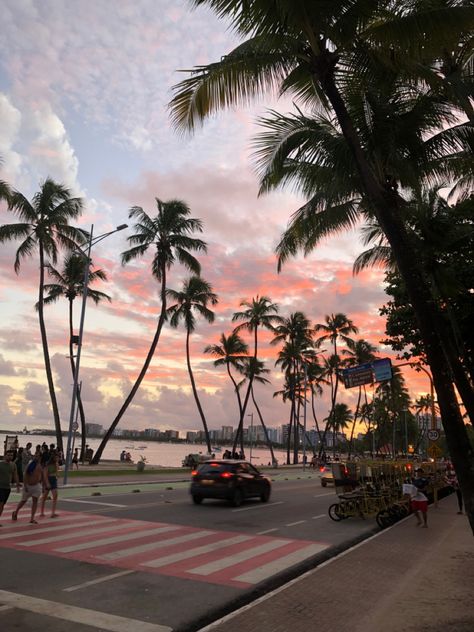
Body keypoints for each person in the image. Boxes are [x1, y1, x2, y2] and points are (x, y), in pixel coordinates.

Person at [12, 452, 43, 524]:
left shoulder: (41, 465)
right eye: (35, 455)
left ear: (40, 457)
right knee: (23, 500)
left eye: (38, 456)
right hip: (28, 485)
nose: (36, 457)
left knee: (35, 501)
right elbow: (25, 474)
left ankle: (32, 518)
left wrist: (43, 484)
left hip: (37, 486)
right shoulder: (31, 464)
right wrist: (25, 485)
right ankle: (15, 512)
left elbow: (42, 475)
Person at [0, 450, 20, 525]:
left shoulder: (13, 465)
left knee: (2, 505)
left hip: (7, 488)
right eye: (8, 455)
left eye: (11, 455)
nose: (10, 457)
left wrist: (18, 485)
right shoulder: (0, 464)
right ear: (5, 455)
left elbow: (15, 475)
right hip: (0, 487)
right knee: (1, 504)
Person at [40, 452, 60, 518]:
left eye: (58, 457)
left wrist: (57, 474)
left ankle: (53, 513)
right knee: (44, 497)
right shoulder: (48, 465)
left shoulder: (56, 464)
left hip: (54, 480)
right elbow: (45, 475)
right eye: (56, 457)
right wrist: (47, 483)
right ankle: (42, 512)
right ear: (53, 458)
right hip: (48, 480)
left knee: (55, 495)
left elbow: (57, 472)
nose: (58, 458)